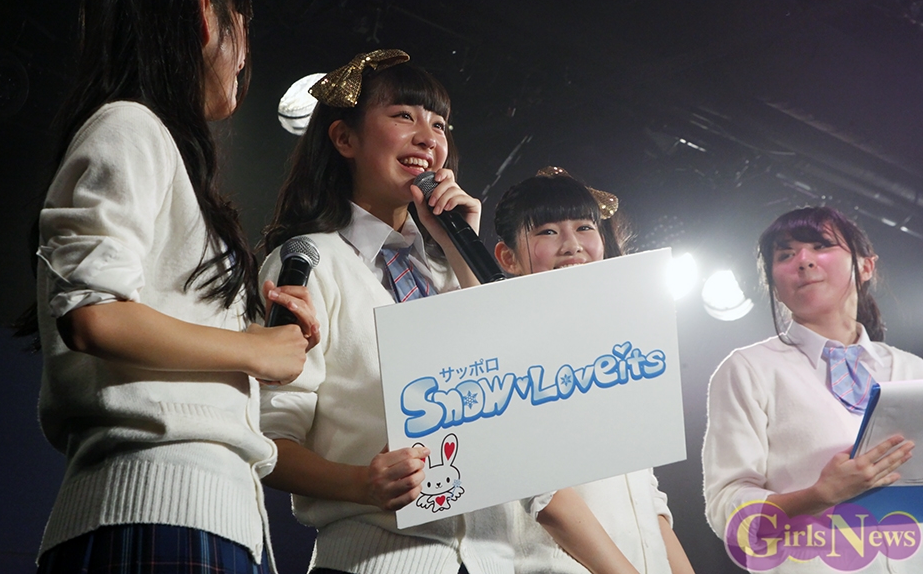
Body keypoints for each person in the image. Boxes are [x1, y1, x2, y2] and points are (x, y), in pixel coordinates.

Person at [259, 52, 631, 574]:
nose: (428, 138)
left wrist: (462, 247)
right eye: (403, 116)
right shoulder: (310, 261)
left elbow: (514, 394)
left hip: (492, 561)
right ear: (344, 138)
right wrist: (362, 483)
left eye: (438, 124)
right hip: (376, 558)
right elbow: (269, 437)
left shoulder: (449, 266)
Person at [28, 0, 318, 571]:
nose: (245, 54)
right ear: (205, 18)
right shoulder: (129, 126)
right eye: (243, 26)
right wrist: (253, 349)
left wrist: (259, 342)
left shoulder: (148, 141)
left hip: (197, 516)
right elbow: (95, 314)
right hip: (156, 515)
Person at [492, 167, 695, 574]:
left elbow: (647, 495)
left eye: (585, 227)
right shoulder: (504, 349)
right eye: (548, 231)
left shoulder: (620, 348)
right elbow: (544, 494)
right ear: (507, 257)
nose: (572, 245)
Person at [703, 205, 923, 573]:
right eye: (785, 255)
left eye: (821, 246)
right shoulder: (749, 369)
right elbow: (727, 511)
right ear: (774, 285)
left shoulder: (914, 370)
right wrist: (818, 496)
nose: (803, 260)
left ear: (866, 266)